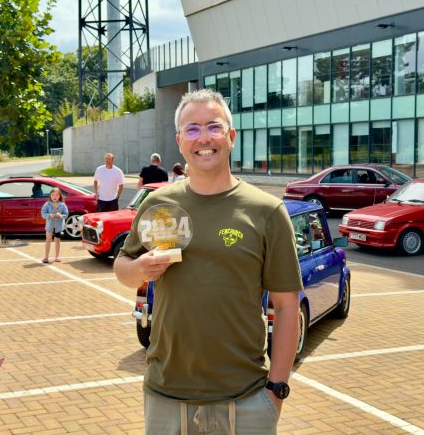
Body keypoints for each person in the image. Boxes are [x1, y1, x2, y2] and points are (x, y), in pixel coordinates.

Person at [114, 89, 303, 434]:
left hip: (246, 399)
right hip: (165, 396)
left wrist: (276, 391)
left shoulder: (267, 211)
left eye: (214, 127)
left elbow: (287, 305)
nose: (203, 138)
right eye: (192, 129)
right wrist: (140, 269)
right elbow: (123, 267)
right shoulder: (158, 204)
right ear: (179, 140)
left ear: (231, 136)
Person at [40, 187, 68, 263]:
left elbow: (66, 215)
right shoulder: (47, 204)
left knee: (57, 240)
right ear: (50, 195)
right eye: (53, 195)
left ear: (59, 196)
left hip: (58, 227)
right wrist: (49, 215)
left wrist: (61, 216)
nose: (54, 197)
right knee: (48, 240)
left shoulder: (63, 205)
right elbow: (43, 214)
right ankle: (46, 257)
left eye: (56, 195)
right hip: (49, 226)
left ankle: (57, 256)